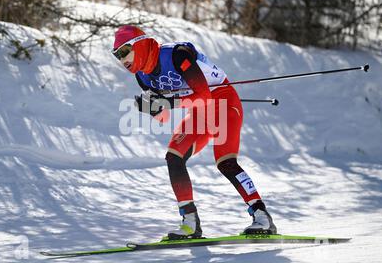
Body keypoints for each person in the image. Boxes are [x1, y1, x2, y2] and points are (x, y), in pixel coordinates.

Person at [112, 25, 276, 240]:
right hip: (198, 112)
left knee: (225, 162)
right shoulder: (142, 76)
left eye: (124, 51)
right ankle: (190, 223)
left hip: (222, 101)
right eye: (117, 55)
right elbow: (164, 116)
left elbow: (204, 96)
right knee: (174, 157)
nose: (122, 59)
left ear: (140, 44)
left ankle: (262, 216)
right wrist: (152, 109)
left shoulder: (177, 55)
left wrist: (168, 102)